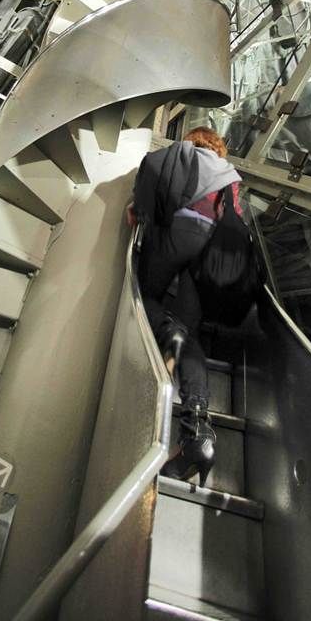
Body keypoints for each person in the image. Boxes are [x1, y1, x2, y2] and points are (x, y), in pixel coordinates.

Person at [128, 127, 243, 486]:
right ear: (218, 149)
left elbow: (140, 208)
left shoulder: (165, 156)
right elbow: (236, 219)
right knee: (188, 333)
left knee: (144, 298)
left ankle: (167, 330)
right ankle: (197, 433)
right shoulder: (229, 178)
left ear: (191, 140)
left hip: (175, 234)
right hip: (211, 251)